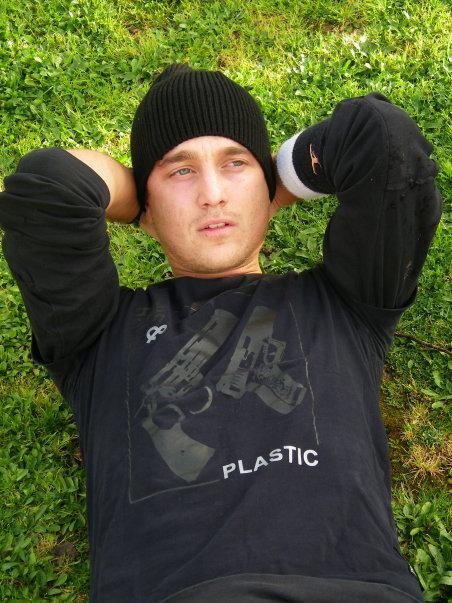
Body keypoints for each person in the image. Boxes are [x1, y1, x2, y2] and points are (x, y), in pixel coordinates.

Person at [0, 64, 442, 602]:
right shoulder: (96, 336)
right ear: (145, 203)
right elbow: (49, 186)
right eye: (180, 171)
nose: (212, 193)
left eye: (236, 164)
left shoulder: (347, 302)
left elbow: (384, 140)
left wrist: (276, 182)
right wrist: (145, 204)